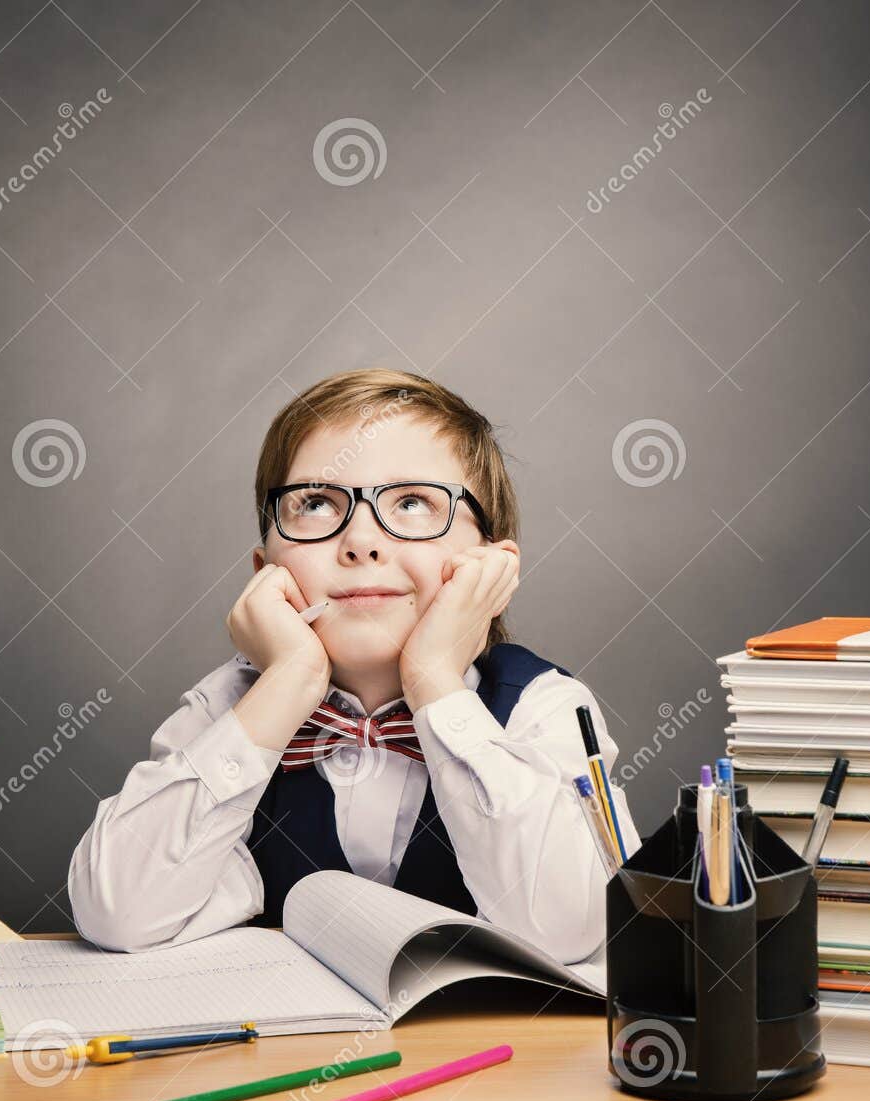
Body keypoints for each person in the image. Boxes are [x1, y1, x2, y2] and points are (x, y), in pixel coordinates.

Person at [68, 368, 637, 962]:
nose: (361, 542)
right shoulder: (230, 710)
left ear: (491, 565)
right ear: (266, 567)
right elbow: (119, 913)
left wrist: (435, 681)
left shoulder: (543, 708)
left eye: (413, 502)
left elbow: (574, 926)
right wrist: (287, 681)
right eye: (316, 503)